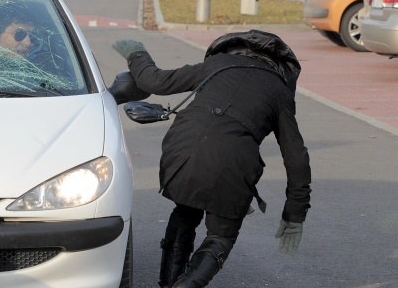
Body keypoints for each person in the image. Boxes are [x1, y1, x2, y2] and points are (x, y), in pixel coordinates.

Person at [112, 30, 311, 288]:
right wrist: (295, 214)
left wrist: (136, 53)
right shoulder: (279, 91)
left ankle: (168, 283)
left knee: (185, 211)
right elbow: (296, 157)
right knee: (220, 236)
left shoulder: (215, 65)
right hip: (233, 164)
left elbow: (156, 82)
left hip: (184, 150)